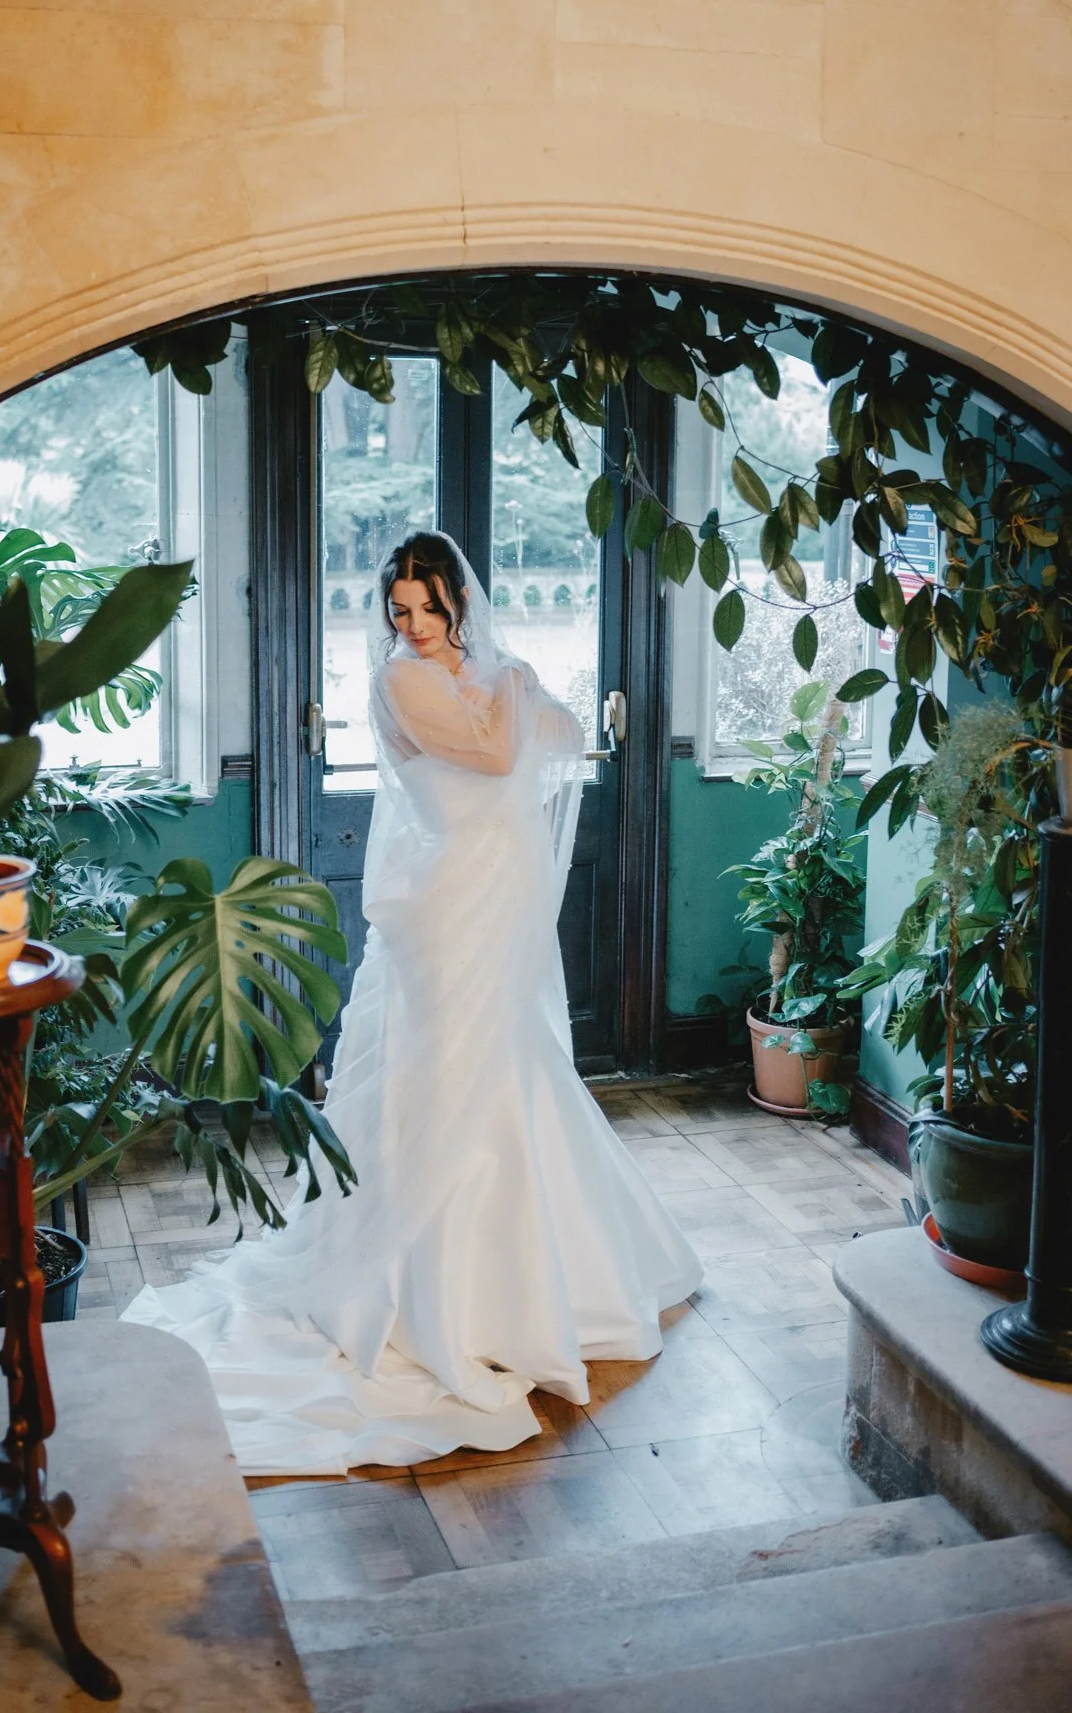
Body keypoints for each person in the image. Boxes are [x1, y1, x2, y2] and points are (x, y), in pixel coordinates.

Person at [121, 531, 702, 1474]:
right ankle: (432, 1280)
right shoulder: (400, 681)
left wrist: (515, 685)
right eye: (400, 610)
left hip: (497, 889)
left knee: (511, 1060)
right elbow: (494, 750)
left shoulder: (479, 665)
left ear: (456, 603)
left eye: (429, 608)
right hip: (446, 901)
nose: (415, 625)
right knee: (446, 1069)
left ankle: (553, 1267)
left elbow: (559, 738)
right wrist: (511, 684)